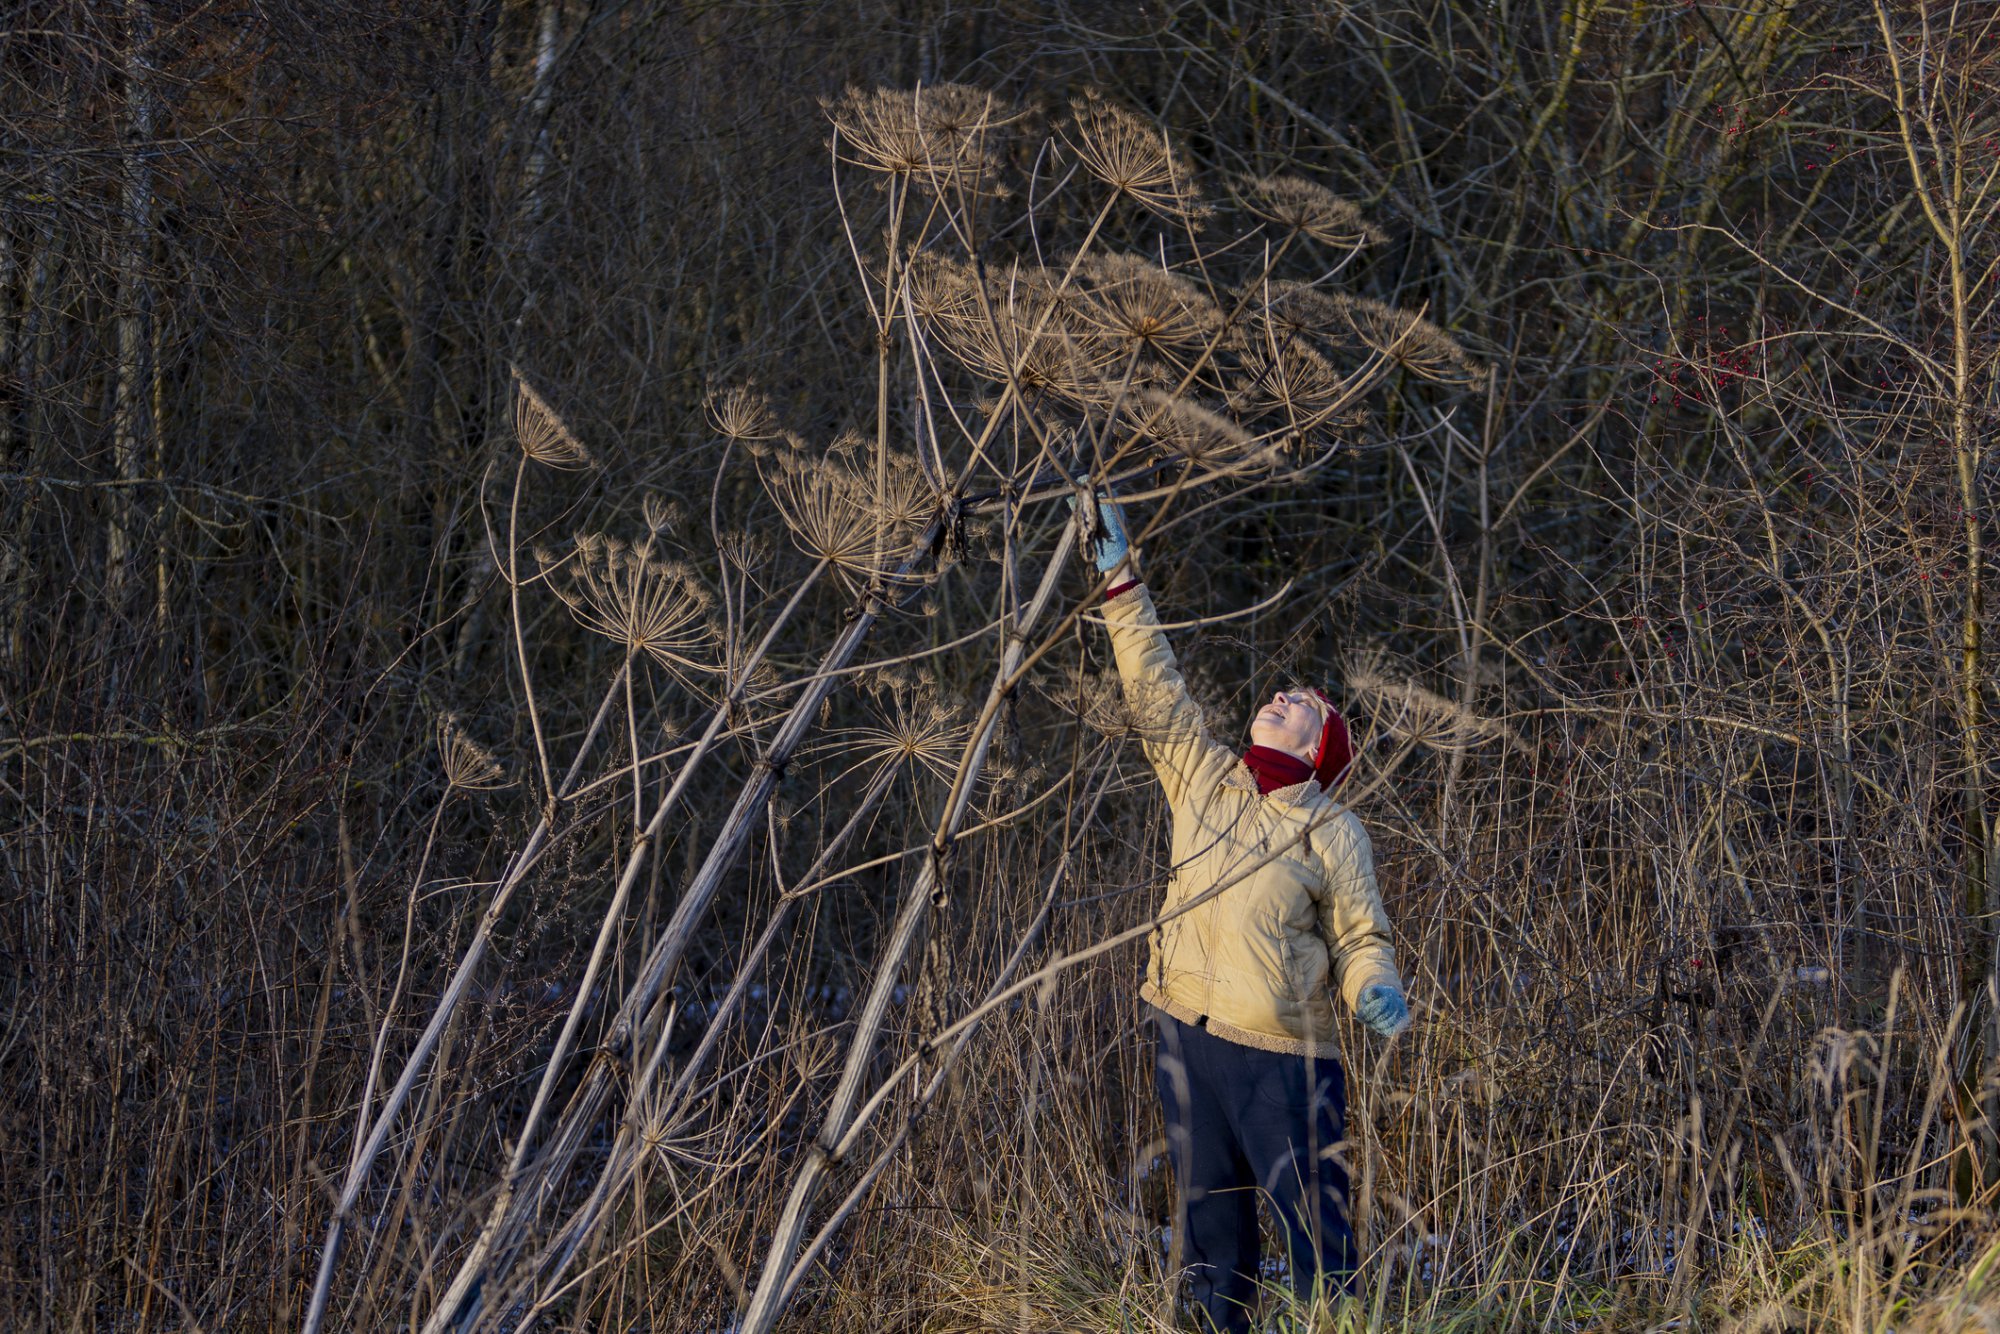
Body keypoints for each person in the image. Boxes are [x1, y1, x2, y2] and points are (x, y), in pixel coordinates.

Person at [1072, 485, 1411, 1333]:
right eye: (1280, 693)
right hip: (1185, 1034)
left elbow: (1361, 934)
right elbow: (1154, 686)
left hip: (1284, 1062)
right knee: (1211, 1233)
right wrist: (1121, 581)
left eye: (1303, 704)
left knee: (1315, 1235)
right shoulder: (1203, 774)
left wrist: (1376, 986)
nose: (1280, 697)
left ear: (1320, 749)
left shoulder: (1334, 830)